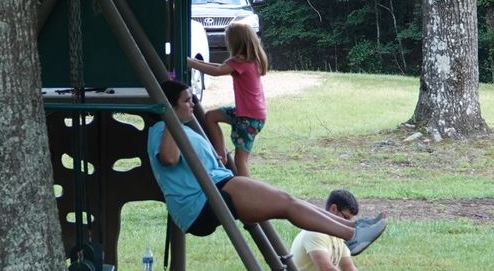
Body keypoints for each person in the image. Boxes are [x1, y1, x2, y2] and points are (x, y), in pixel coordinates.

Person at [148, 78, 356, 241]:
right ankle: (350, 235)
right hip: (200, 204)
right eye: (186, 101)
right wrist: (171, 119)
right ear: (171, 106)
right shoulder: (161, 130)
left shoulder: (181, 129)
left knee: (288, 200)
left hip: (215, 190)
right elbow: (168, 158)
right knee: (287, 203)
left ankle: (350, 227)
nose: (192, 104)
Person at [188, 20, 269, 177]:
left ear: (235, 41)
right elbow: (218, 67)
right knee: (211, 116)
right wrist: (195, 62)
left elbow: (217, 71)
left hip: (248, 118)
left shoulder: (241, 62)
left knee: (241, 160)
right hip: (246, 114)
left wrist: (193, 64)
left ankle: (247, 189)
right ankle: (221, 154)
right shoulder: (251, 60)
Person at [291, 190, 381, 271]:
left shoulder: (337, 233)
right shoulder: (315, 231)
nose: (348, 223)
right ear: (333, 209)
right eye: (346, 218)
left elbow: (348, 267)